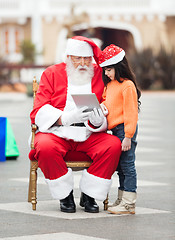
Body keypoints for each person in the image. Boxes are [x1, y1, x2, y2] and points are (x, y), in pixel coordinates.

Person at [30, 36, 122, 213]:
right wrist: (67, 118)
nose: (82, 63)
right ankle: (65, 195)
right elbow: (38, 111)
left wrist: (98, 120)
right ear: (68, 57)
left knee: (113, 145)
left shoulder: (100, 74)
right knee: (44, 146)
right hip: (57, 131)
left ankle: (89, 194)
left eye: (87, 58)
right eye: (77, 58)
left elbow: (108, 104)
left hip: (90, 133)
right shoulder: (51, 73)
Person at [98, 44, 141, 214]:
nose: (106, 73)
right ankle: (122, 199)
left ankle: (129, 203)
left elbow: (131, 112)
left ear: (118, 66)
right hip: (115, 131)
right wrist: (101, 107)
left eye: (109, 69)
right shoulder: (110, 85)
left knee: (128, 165)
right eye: (105, 70)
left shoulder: (127, 85)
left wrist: (128, 136)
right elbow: (107, 102)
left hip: (125, 130)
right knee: (120, 167)